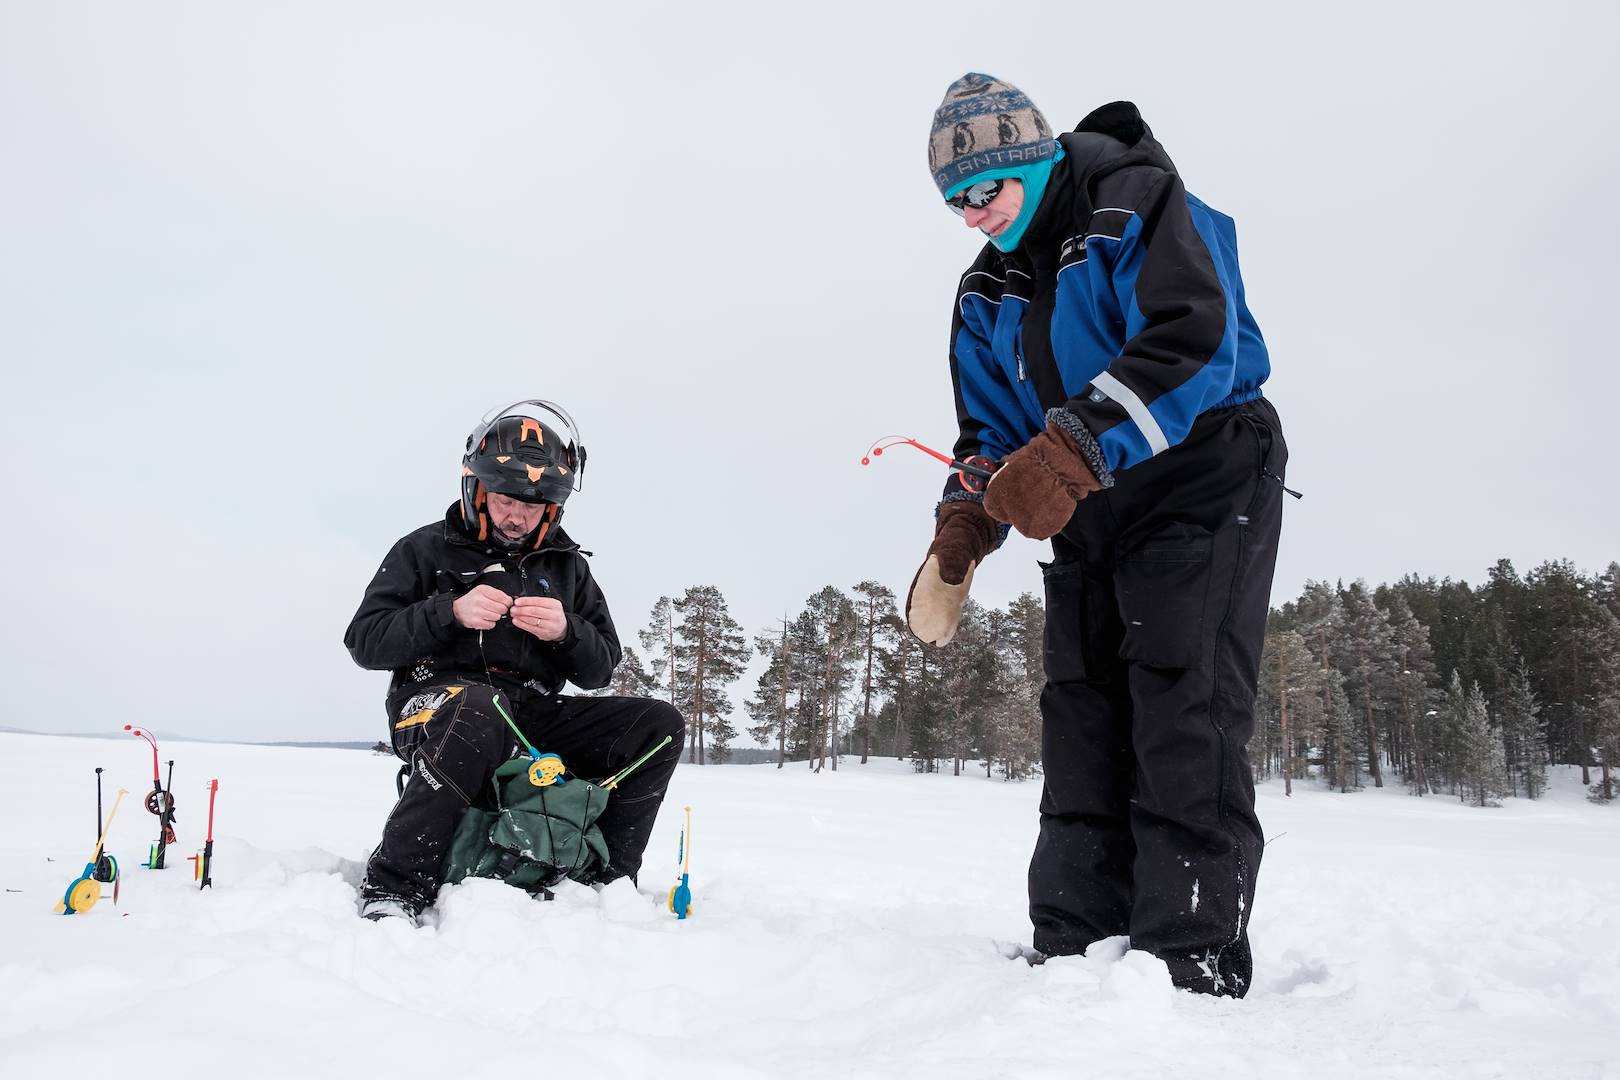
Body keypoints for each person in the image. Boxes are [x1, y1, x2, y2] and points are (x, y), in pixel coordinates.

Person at [906, 74, 1290, 997]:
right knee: (1081, 706)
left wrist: (1074, 447)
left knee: (1178, 705)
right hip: (1087, 499)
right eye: (953, 202)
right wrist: (964, 519)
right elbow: (989, 429)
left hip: (1200, 471)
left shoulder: (1134, 200)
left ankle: (1187, 959)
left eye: (983, 192)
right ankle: (1075, 943)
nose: (970, 216)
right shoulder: (987, 285)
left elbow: (1194, 337)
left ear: (1031, 160)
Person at [345, 399, 684, 925]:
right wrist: (449, 612)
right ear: (477, 488)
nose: (518, 516)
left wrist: (568, 632)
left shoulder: (567, 567)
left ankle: (603, 880)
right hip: (434, 704)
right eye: (506, 499)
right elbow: (364, 641)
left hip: (528, 712)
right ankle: (394, 884)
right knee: (481, 705)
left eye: (535, 505)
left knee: (658, 726)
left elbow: (600, 670)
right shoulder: (423, 550)